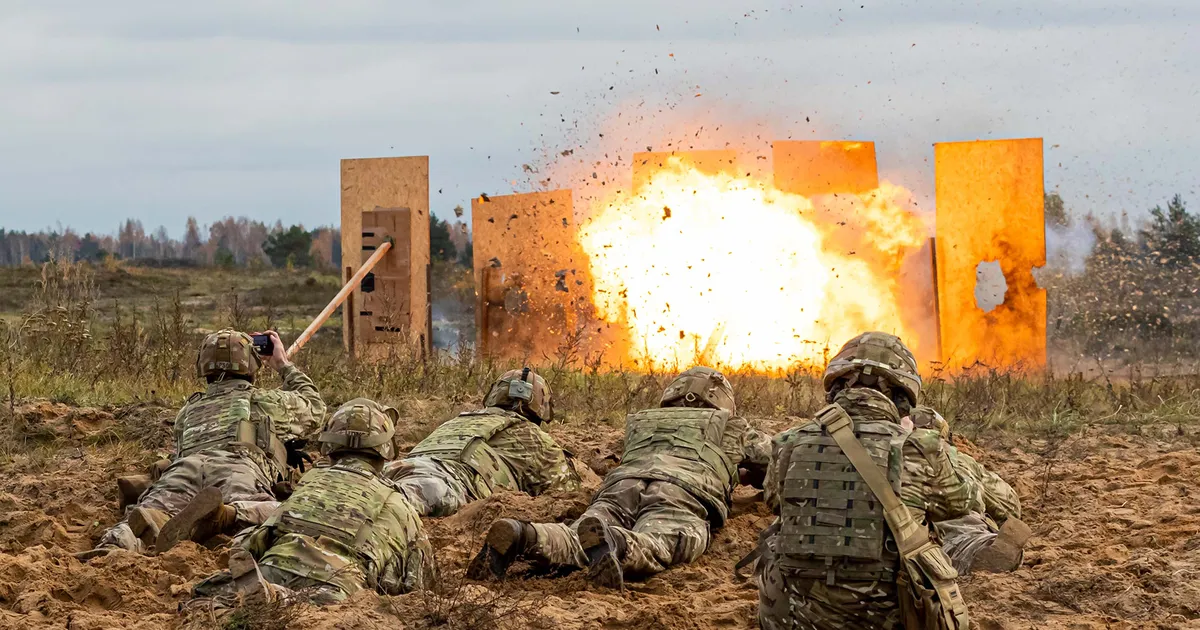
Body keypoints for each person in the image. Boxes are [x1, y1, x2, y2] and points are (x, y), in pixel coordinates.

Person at [468, 366, 772, 589]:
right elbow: (778, 462)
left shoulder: (641, 421)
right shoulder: (733, 426)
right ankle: (617, 542)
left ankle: (526, 535)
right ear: (721, 402)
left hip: (621, 484)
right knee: (663, 542)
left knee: (578, 536)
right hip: (682, 492)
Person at [754, 332, 975, 630]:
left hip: (797, 617)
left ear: (835, 388)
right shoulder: (919, 445)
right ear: (901, 397)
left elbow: (774, 500)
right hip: (883, 616)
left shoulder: (789, 442)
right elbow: (961, 502)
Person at [80, 329, 325, 557]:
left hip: (184, 469)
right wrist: (282, 364)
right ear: (251, 364)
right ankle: (227, 518)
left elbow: (178, 450)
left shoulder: (189, 409)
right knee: (273, 513)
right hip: (237, 469)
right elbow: (315, 408)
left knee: (151, 510)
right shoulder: (263, 401)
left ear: (202, 366)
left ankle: (123, 538)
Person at [192, 398, 433, 605]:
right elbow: (415, 582)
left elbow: (257, 540)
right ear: (387, 449)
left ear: (329, 445)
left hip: (274, 566)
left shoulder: (310, 483)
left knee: (206, 592)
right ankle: (281, 598)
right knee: (326, 600)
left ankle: (271, 595)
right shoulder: (400, 504)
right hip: (339, 585)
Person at [382, 367, 580, 517]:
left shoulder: (460, 419)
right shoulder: (537, 439)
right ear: (542, 407)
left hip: (399, 468)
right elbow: (566, 496)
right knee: (395, 507)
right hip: (444, 483)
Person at [911, 406, 1031, 574]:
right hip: (961, 523)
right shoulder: (961, 460)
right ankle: (980, 548)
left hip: (908, 527)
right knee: (964, 534)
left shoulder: (890, 454)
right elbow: (1008, 504)